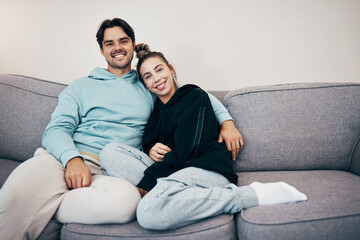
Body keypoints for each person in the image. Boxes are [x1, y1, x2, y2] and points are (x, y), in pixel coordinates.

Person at [0, 18, 243, 240]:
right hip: (63, 159)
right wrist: (72, 159)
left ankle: (47, 202)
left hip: (112, 171)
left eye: (123, 41)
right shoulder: (81, 87)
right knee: (14, 198)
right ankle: (43, 198)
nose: (117, 47)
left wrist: (227, 121)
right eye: (109, 43)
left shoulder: (147, 84)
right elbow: (55, 130)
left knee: (126, 206)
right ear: (101, 50)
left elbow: (192, 95)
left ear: (132, 44)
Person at [99, 43, 307, 230]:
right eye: (148, 76)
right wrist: (151, 148)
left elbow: (189, 148)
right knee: (110, 152)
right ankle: (168, 194)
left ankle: (249, 195)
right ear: (145, 84)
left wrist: (150, 179)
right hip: (173, 172)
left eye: (159, 70)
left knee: (148, 212)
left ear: (171, 69)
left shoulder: (193, 95)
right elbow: (148, 144)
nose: (156, 79)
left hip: (203, 167)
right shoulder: (155, 111)